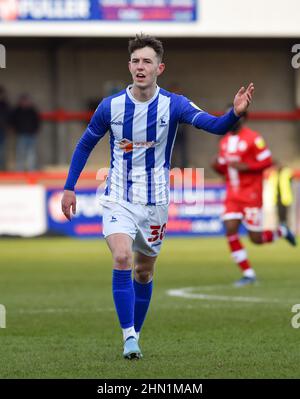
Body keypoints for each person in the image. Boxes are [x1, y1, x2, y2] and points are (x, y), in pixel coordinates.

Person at [61, 34, 255, 359]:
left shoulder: (174, 104)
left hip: (155, 204)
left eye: (147, 61)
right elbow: (84, 145)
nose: (140, 66)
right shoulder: (110, 106)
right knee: (122, 258)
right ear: (129, 66)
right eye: (136, 61)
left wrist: (234, 114)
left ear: (159, 68)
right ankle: (128, 339)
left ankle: (135, 332)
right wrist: (69, 186)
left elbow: (215, 125)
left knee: (143, 272)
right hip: (118, 197)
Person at [212, 111, 297, 287]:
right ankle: (248, 274)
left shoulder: (254, 138)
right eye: (229, 116)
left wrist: (247, 167)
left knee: (256, 239)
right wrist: (216, 166)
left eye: (235, 116)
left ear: (243, 119)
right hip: (232, 194)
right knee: (230, 228)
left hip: (251, 193)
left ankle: (280, 231)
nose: (232, 119)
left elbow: (267, 161)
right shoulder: (225, 141)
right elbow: (224, 167)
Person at [11, 93, 41, 171]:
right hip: (21, 135)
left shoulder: (32, 110)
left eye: (26, 101)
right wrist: (16, 130)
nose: (25, 102)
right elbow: (13, 121)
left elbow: (37, 121)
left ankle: (31, 171)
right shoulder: (17, 111)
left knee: (31, 154)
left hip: (31, 135)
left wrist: (35, 130)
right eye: (23, 101)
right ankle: (19, 171)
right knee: (20, 153)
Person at [0, 86, 10, 170]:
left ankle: (1, 168)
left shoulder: (5, 105)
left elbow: (9, 117)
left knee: (1, 150)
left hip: (2, 130)